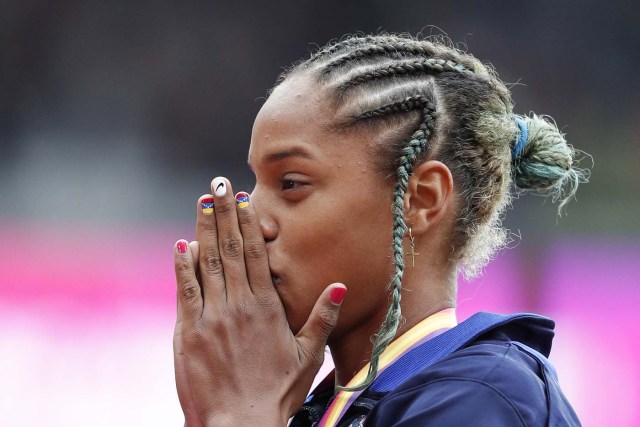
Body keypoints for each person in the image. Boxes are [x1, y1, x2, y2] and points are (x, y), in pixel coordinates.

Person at [172, 33, 586, 426]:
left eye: (291, 184)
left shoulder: (481, 398)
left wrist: (241, 415)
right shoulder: (322, 405)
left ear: (420, 200)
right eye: (256, 183)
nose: (254, 223)